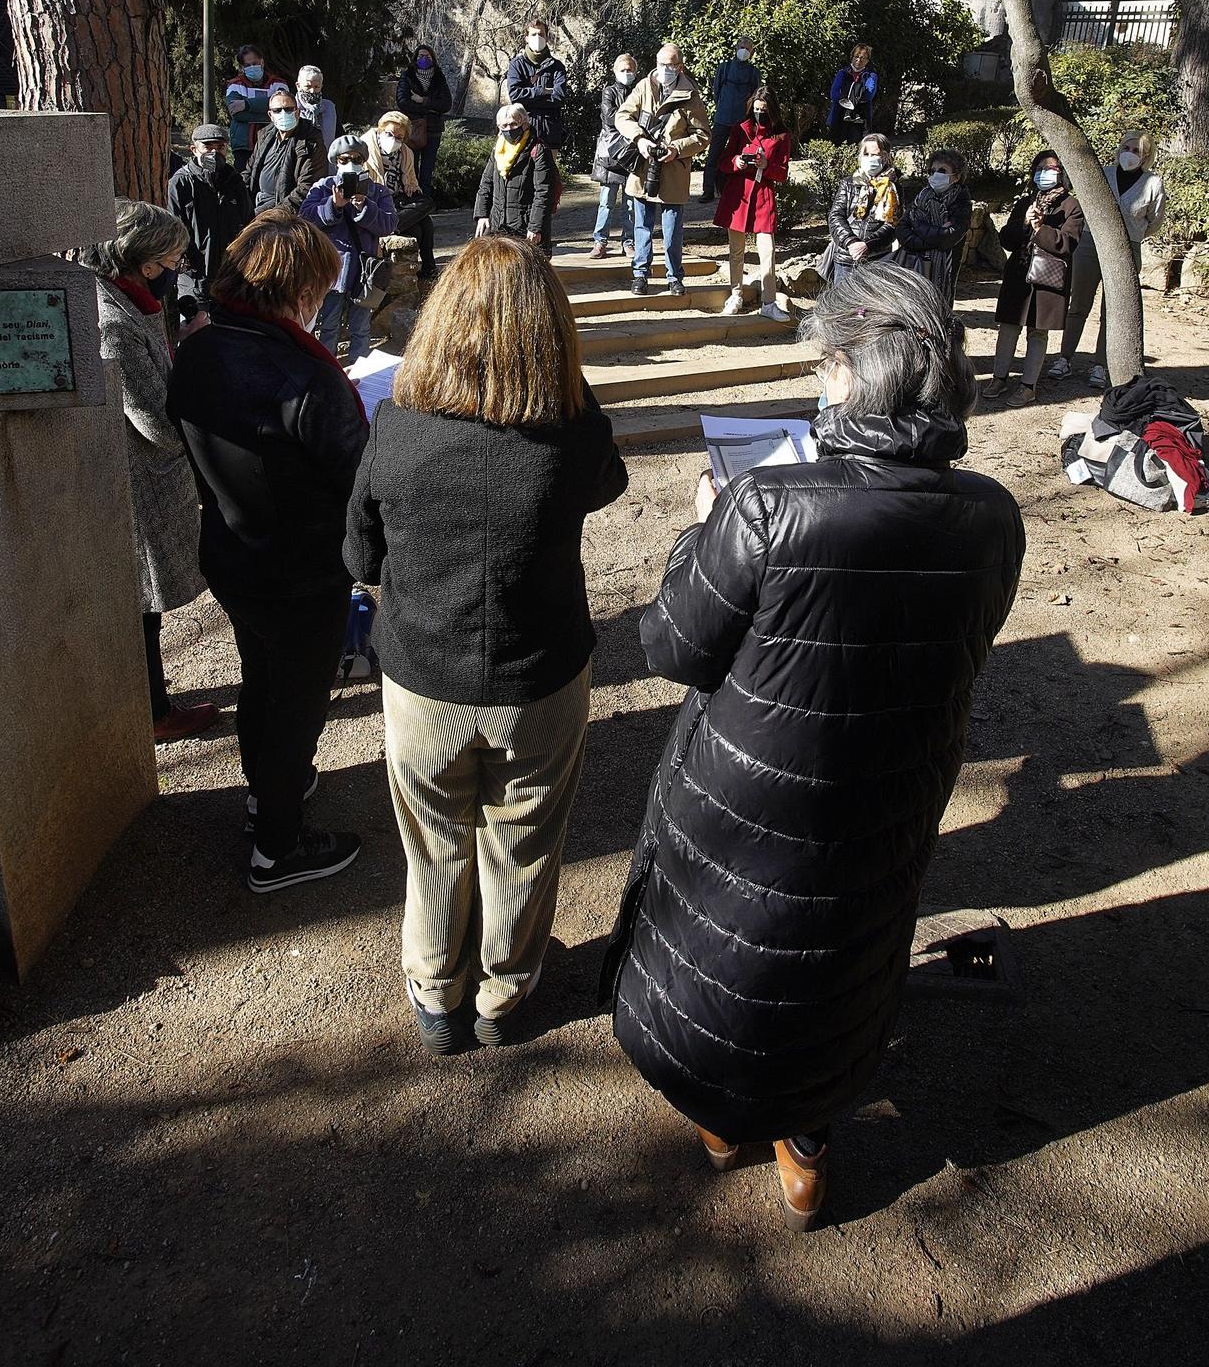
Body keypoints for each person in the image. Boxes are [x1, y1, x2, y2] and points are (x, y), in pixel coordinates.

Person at [601, 262, 1025, 1230]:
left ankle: (727, 1114)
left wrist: (699, 528)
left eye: (823, 367)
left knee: (735, 944)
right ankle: (804, 1134)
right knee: (844, 947)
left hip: (751, 787)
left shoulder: (766, 505)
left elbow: (669, 640)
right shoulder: (992, 516)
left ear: (845, 369)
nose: (818, 385)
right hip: (892, 786)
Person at [344, 237, 628, 1051]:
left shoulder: (394, 426)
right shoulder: (569, 433)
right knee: (525, 841)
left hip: (421, 672)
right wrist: (567, 387)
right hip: (539, 674)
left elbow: (360, 558)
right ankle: (504, 995)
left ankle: (436, 993)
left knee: (432, 840)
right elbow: (611, 482)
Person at [167, 210, 369, 892]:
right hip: (301, 569)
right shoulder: (303, 378)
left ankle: (267, 792)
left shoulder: (199, 347)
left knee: (263, 680)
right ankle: (276, 848)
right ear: (298, 288)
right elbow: (359, 476)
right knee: (297, 703)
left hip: (233, 551)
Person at [84, 201, 217, 743]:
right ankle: (155, 712)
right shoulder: (113, 321)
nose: (175, 272)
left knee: (144, 608)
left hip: (145, 480)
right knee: (142, 607)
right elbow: (158, 424)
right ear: (140, 262)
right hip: (141, 484)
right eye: (170, 260)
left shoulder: (127, 299)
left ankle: (153, 703)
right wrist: (194, 362)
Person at [1048, 129, 1167, 390]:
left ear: (1146, 155)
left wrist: (1133, 234)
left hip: (1128, 247)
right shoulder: (1103, 173)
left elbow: (1154, 221)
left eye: (1136, 151)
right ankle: (1064, 359)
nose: (1129, 154)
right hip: (1091, 243)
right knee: (1078, 303)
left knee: (1113, 310)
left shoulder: (1153, 183)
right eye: (1126, 148)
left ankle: (1100, 365)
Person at [984, 150, 1085, 403]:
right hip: (1018, 273)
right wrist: (1025, 225)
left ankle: (1028, 386)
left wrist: (1042, 228)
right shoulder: (1025, 202)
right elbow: (1006, 239)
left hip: (1047, 279)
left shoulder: (1071, 206)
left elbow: (1067, 244)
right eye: (1040, 168)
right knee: (1008, 327)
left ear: (1062, 173)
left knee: (1037, 332)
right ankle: (999, 378)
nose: (1044, 173)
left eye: (1051, 168)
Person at [615, 42, 711, 297]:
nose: (664, 69)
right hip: (643, 169)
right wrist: (640, 139)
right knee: (642, 228)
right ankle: (640, 275)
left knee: (672, 230)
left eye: (669, 65)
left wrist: (676, 149)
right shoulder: (643, 87)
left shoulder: (690, 95)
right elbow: (622, 117)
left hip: (673, 172)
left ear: (679, 67)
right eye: (661, 64)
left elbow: (702, 135)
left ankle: (674, 277)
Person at [300, 134, 397, 363]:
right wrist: (333, 206)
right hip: (332, 272)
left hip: (364, 274)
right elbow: (306, 219)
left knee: (361, 329)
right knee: (328, 327)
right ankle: (327, 370)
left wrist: (364, 206)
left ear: (364, 161)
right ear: (336, 161)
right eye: (344, 159)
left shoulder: (377, 191)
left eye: (356, 158)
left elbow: (389, 224)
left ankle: (359, 375)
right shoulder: (323, 187)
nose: (350, 163)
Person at [714, 83, 791, 321]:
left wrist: (767, 166)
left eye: (764, 109)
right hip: (738, 195)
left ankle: (769, 302)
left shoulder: (781, 136)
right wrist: (736, 162)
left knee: (767, 251)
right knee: (736, 251)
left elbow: (783, 173)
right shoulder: (740, 129)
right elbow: (723, 162)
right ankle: (735, 294)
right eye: (756, 109)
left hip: (762, 196)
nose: (760, 114)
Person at [168, 124, 251, 334]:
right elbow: (174, 232)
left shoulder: (234, 181)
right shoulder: (180, 183)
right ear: (194, 149)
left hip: (230, 278)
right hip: (195, 279)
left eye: (220, 147)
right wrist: (189, 267)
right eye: (208, 147)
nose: (214, 153)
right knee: (196, 335)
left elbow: (249, 223)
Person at [361, 110, 437, 283]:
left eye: (399, 137)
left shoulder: (406, 153)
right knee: (421, 227)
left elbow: (412, 181)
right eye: (389, 134)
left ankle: (428, 269)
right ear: (380, 130)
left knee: (427, 208)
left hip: (399, 202)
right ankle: (426, 269)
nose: (394, 139)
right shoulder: (365, 148)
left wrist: (412, 186)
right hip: (377, 202)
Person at [474, 103, 558, 253]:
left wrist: (535, 227)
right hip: (498, 224)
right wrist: (482, 215)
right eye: (504, 126)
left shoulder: (538, 150)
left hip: (526, 226)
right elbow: (486, 184)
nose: (509, 129)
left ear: (525, 123)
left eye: (514, 124)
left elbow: (544, 191)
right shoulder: (498, 150)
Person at [895, 148, 974, 304]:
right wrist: (933, 234)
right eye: (932, 171)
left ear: (956, 176)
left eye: (942, 171)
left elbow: (948, 239)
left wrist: (917, 227)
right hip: (914, 265)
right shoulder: (922, 197)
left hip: (942, 271)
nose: (935, 174)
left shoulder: (961, 202)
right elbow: (901, 228)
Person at [826, 132, 902, 280]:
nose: (869, 158)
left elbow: (892, 224)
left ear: (885, 157)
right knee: (842, 302)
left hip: (877, 259)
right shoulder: (849, 183)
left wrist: (867, 245)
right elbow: (836, 216)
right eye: (866, 154)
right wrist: (851, 242)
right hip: (846, 258)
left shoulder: (893, 188)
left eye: (875, 154)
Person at [244, 87, 325, 215]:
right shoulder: (264, 135)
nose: (283, 114)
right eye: (277, 110)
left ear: (297, 112)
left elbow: (306, 187)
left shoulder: (311, 140)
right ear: (270, 115)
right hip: (256, 201)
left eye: (288, 109)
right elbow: (249, 172)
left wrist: (274, 213)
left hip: (284, 210)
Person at [590, 52, 640, 258]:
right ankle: (599, 242)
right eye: (623, 70)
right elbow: (609, 117)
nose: (626, 73)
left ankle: (628, 242)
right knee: (606, 202)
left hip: (633, 154)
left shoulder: (640, 91)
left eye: (630, 70)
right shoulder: (609, 91)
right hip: (611, 154)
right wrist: (631, 121)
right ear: (615, 71)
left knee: (630, 204)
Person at [702, 37, 761, 201]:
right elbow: (716, 91)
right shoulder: (725, 68)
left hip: (742, 122)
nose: (744, 50)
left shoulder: (754, 72)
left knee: (742, 156)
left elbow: (756, 96)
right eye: (742, 46)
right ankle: (708, 191)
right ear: (735, 48)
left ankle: (736, 190)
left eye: (748, 48)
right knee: (714, 155)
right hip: (722, 118)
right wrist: (724, 107)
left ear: (752, 52)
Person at [395, 43, 453, 187]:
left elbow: (446, 104)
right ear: (416, 58)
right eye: (421, 56)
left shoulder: (439, 77)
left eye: (427, 56)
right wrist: (430, 109)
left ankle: (425, 199)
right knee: (411, 168)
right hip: (413, 128)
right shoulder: (407, 76)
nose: (424, 59)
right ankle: (412, 198)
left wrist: (423, 101)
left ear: (432, 58)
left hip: (433, 130)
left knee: (427, 170)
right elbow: (403, 102)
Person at [506, 17, 568, 150]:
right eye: (534, 34)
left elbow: (559, 97)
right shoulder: (517, 65)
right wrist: (542, 91)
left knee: (548, 171)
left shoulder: (557, 67)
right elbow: (515, 96)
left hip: (549, 134)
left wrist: (528, 99)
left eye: (541, 34)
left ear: (546, 37)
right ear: (526, 37)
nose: (537, 37)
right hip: (522, 133)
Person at [223, 44, 289, 165]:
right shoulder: (234, 85)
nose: (251, 67)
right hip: (244, 147)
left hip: (274, 143)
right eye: (247, 65)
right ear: (242, 67)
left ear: (262, 62)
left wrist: (246, 104)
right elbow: (237, 115)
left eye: (254, 63)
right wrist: (271, 115)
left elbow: (283, 106)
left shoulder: (279, 83)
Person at [827, 42, 879, 145]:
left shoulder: (870, 75)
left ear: (867, 60)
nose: (858, 60)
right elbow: (834, 93)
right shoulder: (843, 73)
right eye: (856, 56)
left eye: (863, 58)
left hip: (860, 117)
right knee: (836, 144)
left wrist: (851, 96)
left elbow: (869, 94)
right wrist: (847, 101)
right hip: (839, 115)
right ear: (852, 57)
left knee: (856, 145)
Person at [295, 65, 337, 154]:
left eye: (316, 87)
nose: (312, 91)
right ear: (298, 86)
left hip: (325, 162)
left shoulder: (329, 107)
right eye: (308, 86)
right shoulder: (291, 107)